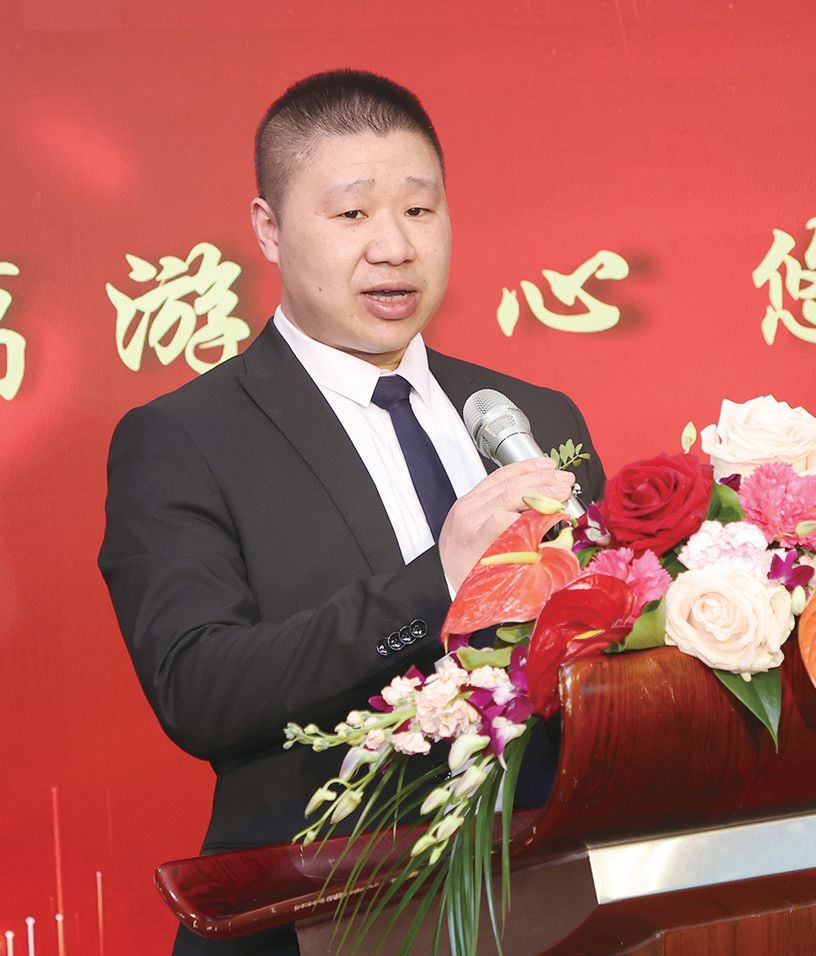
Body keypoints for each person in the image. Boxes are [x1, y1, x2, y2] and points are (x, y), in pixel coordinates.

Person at [99, 70, 605, 956]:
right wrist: (440, 580)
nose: (394, 247)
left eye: (419, 210)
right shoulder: (184, 439)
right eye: (351, 214)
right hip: (319, 916)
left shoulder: (530, 417)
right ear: (268, 228)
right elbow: (199, 688)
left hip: (558, 902)